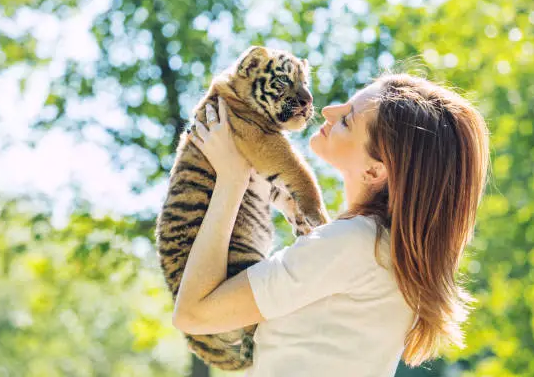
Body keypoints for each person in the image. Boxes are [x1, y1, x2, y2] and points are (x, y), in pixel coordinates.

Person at [172, 73, 490, 376]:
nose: (327, 111)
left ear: (374, 171)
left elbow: (194, 313)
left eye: (348, 119)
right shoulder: (386, 250)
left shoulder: (351, 244)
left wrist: (232, 177)